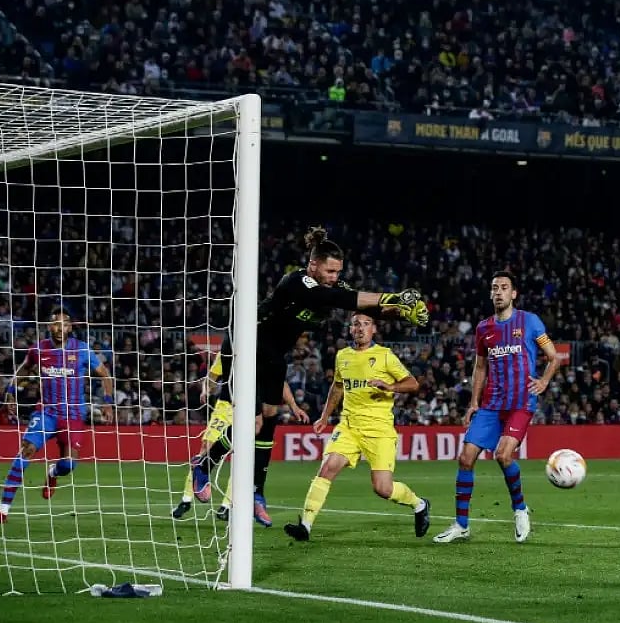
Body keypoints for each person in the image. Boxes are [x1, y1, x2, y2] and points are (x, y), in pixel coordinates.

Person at [189, 226, 428, 528]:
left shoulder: (328, 288)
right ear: (313, 264)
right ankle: (204, 465)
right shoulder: (297, 282)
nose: (333, 276)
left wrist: (403, 312)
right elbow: (349, 298)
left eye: (338, 271)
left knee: (270, 417)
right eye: (329, 270)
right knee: (255, 422)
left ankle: (255, 494)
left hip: (274, 355)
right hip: (245, 344)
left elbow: (367, 308)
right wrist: (396, 297)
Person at [433, 271, 560, 544]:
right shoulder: (483, 329)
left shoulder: (530, 322)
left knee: (503, 455)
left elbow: (553, 357)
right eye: (495, 288)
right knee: (466, 457)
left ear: (514, 294)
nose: (499, 292)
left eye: (504, 287)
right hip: (492, 403)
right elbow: (480, 367)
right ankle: (461, 525)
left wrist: (544, 381)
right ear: (491, 294)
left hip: (520, 402)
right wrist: (474, 403)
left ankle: (520, 510)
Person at [285, 312, 430, 541]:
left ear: (374, 330)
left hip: (379, 429)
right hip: (349, 426)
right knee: (328, 467)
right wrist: (324, 417)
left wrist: (389, 386)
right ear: (350, 330)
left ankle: (419, 504)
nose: (360, 328)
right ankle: (305, 525)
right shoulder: (343, 356)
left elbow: (412, 383)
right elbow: (337, 387)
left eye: (366, 324)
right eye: (356, 324)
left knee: (383, 488)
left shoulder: (384, 356)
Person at [0, 307, 114, 524]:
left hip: (73, 415)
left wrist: (108, 404)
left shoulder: (82, 350)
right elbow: (23, 370)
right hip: (46, 412)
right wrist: (10, 393)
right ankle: (2, 511)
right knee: (26, 451)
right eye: (56, 323)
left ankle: (53, 472)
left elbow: (105, 374)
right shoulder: (38, 350)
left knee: (69, 465)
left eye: (64, 324)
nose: (59, 328)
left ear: (70, 327)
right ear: (49, 327)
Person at [171, 336, 305, 521]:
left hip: (249, 410)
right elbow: (212, 376)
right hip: (225, 406)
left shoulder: (264, 355)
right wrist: (205, 390)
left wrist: (294, 406)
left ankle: (227, 505)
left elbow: (279, 384)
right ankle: (186, 499)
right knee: (206, 447)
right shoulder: (228, 352)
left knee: (241, 458)